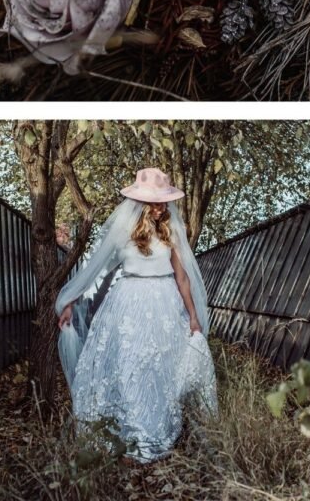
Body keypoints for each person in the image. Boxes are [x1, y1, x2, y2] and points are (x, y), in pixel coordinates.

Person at [55, 166, 217, 460]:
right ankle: (130, 432)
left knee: (160, 369)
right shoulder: (123, 232)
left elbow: (183, 279)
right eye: (152, 201)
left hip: (165, 304)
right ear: (140, 201)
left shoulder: (172, 232)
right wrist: (71, 301)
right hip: (128, 304)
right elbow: (96, 270)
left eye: (162, 201)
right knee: (130, 365)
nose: (158, 207)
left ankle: (152, 432)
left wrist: (193, 316)